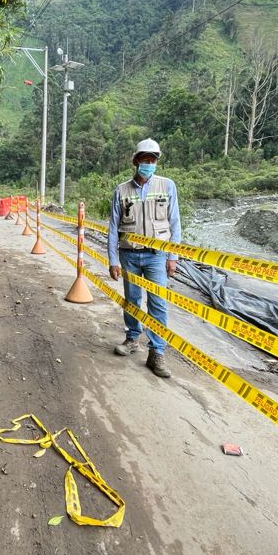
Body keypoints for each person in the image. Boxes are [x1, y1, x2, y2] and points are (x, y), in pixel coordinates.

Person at [107, 138, 182, 378]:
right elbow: (112, 227)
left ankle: (157, 352)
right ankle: (131, 339)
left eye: (153, 160)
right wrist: (112, 260)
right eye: (145, 160)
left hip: (156, 257)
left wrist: (173, 256)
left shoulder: (167, 186)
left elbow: (174, 223)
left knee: (157, 304)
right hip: (129, 254)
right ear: (135, 161)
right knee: (132, 300)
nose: (149, 164)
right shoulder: (121, 190)